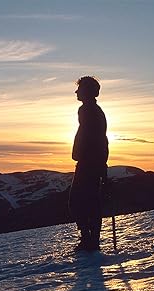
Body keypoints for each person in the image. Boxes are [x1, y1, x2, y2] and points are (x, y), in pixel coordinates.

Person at [69, 76, 109, 251]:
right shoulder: (90, 110)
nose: (76, 92)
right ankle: (89, 239)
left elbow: (97, 138)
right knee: (85, 200)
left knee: (80, 201)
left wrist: (99, 162)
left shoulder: (88, 111)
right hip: (91, 162)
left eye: (80, 89)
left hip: (89, 163)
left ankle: (90, 240)